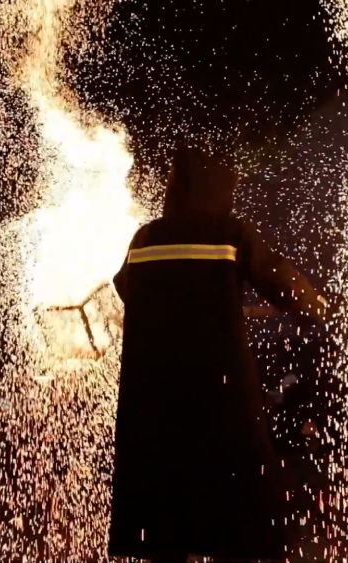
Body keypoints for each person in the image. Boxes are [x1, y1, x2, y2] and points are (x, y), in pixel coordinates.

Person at [108, 146, 328, 562]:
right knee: (235, 494)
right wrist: (319, 308)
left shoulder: (145, 237)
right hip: (219, 390)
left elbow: (124, 289)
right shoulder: (229, 233)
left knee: (164, 499)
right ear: (217, 188)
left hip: (157, 394)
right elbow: (280, 281)